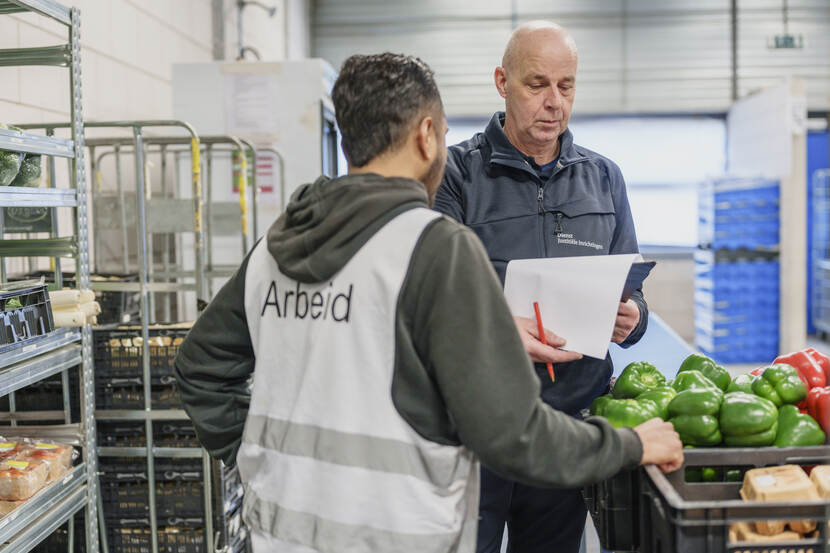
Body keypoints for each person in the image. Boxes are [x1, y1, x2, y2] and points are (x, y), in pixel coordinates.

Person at [174, 52, 682, 553]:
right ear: (425, 136)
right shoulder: (429, 245)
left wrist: (256, 455)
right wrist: (630, 445)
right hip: (395, 532)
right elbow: (513, 435)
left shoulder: (273, 247)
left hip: (278, 531)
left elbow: (199, 368)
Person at [434, 21, 650, 553]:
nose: (554, 102)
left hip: (567, 428)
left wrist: (634, 318)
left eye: (567, 85)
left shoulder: (604, 178)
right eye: (537, 85)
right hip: (476, 429)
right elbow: (432, 300)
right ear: (502, 82)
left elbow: (633, 290)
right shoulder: (455, 175)